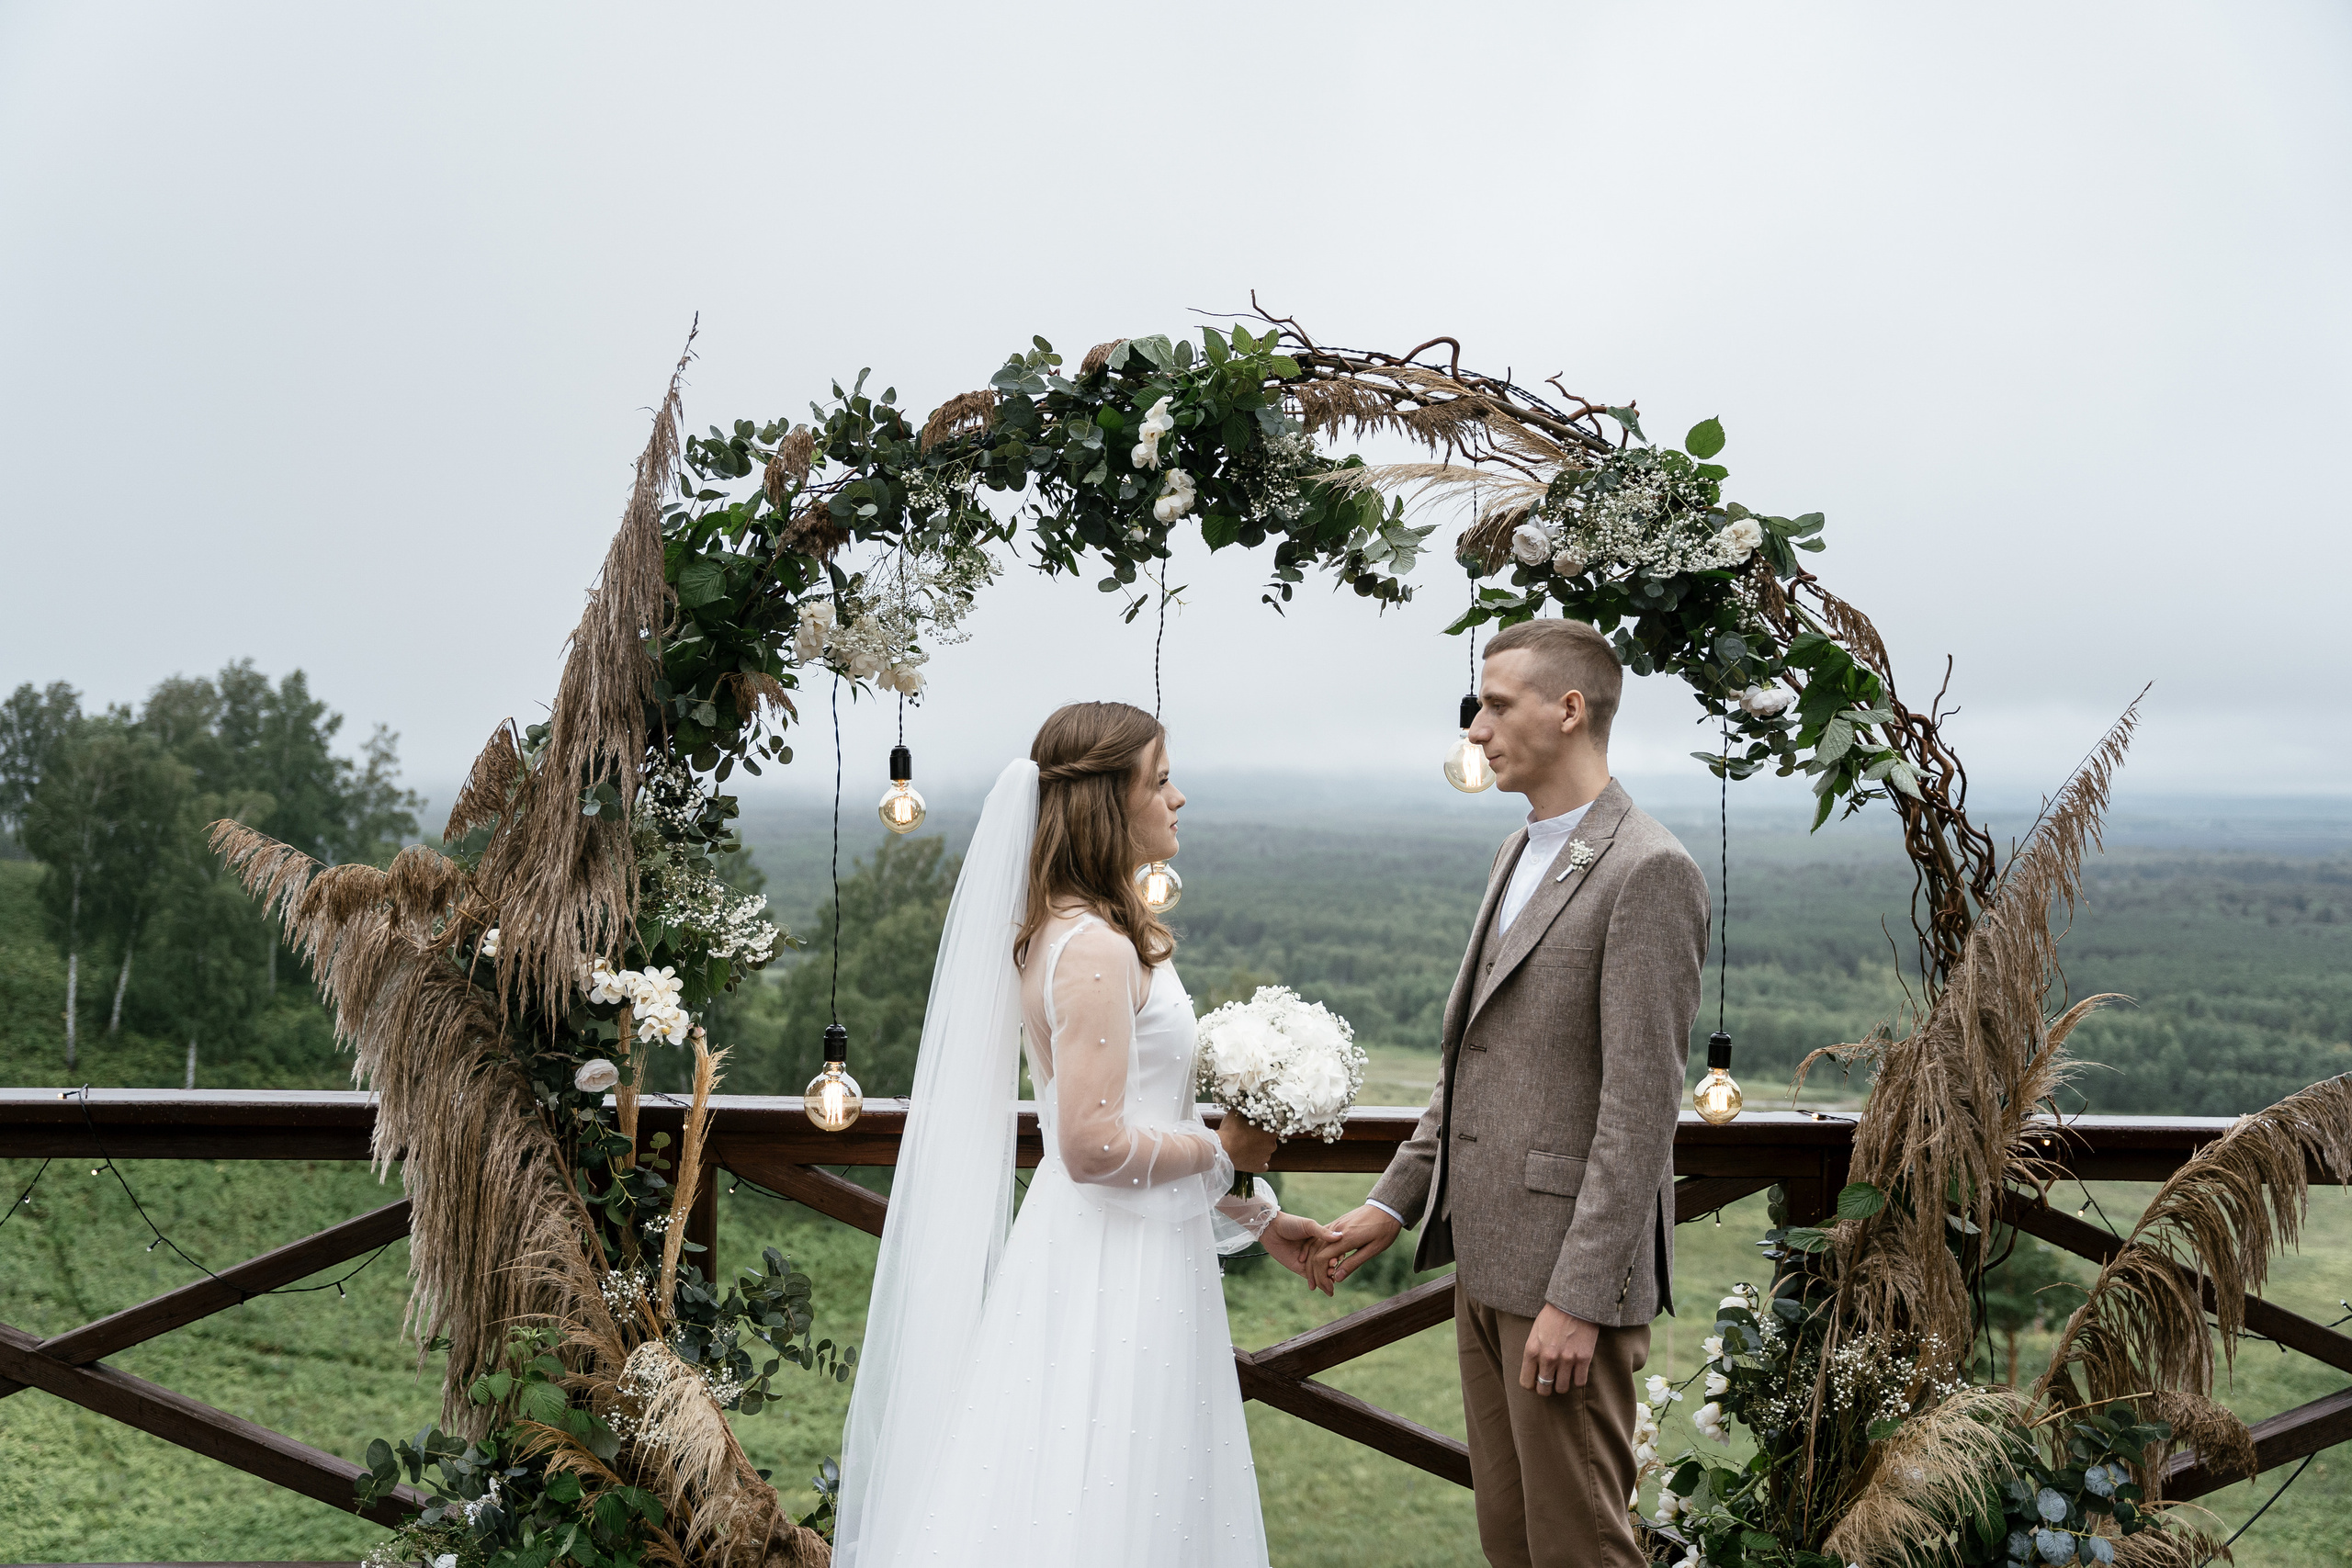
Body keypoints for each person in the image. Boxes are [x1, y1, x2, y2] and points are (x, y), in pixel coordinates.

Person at [835, 700, 1338, 1567]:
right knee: (1106, 1497)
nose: (1178, 799)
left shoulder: (1075, 929)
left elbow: (1144, 1122)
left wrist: (1257, 1216)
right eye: (1163, 779)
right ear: (1110, 800)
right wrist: (1227, 1152)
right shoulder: (1096, 947)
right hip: (1115, 1271)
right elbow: (1095, 1145)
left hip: (1114, 1245)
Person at [1310, 619, 1709, 1568]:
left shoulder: (1648, 868)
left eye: (1494, 705)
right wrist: (1390, 1203)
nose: (1476, 730)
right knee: (1512, 1545)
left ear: (1568, 710)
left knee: (1581, 1550)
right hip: (1485, 1261)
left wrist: (1579, 1297)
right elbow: (1473, 1063)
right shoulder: (1515, 851)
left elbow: (1640, 1108)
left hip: (1567, 1283)